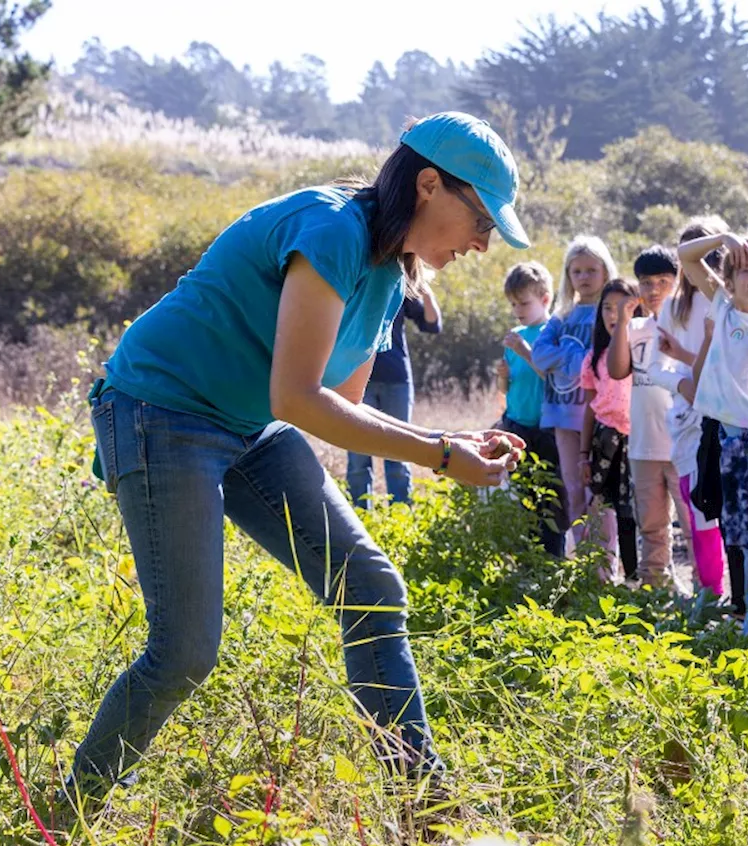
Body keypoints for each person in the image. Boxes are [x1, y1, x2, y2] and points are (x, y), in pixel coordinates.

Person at [70, 112, 529, 801]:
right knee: (186, 652)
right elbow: (298, 398)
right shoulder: (333, 228)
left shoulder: (385, 275)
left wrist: (452, 443)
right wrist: (437, 455)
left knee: (371, 590)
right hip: (160, 411)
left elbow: (340, 407)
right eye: (482, 222)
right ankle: (76, 798)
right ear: (430, 185)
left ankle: (421, 801)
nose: (483, 245)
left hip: (249, 424)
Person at [678, 230, 748, 630]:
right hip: (722, 437)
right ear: (729, 280)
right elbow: (686, 257)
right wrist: (723, 237)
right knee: (734, 527)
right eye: (745, 270)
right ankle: (743, 610)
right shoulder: (723, 307)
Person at [648, 217, 729, 599]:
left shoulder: (731, 300)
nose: (703, 262)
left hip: (729, 416)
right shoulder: (674, 306)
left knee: (734, 513)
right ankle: (709, 593)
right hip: (685, 421)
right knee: (699, 514)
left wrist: (684, 358)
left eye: (711, 253)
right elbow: (654, 366)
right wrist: (682, 383)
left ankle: (742, 598)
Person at [607, 246, 692, 589]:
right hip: (643, 446)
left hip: (681, 445)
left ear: (677, 283)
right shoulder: (636, 328)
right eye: (645, 282)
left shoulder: (687, 327)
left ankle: (706, 591)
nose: (654, 290)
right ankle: (656, 588)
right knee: (652, 525)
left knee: (691, 524)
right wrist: (623, 323)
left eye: (662, 281)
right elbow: (616, 370)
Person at [532, 236, 618, 542]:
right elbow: (539, 354)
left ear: (605, 272)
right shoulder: (561, 316)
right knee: (572, 488)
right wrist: (576, 359)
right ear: (568, 276)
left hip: (596, 417)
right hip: (561, 413)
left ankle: (604, 564)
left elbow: (603, 362)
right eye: (576, 271)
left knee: (599, 491)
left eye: (590, 270)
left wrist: (568, 360)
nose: (583, 277)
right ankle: (583, 565)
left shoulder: (608, 314)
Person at [346, 284, 441, 506]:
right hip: (355, 378)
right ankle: (361, 520)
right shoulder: (353, 279)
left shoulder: (396, 281)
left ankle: (400, 517)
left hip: (396, 379)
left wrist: (424, 287)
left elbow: (432, 324)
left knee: (399, 454)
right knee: (358, 458)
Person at [496, 261, 567, 557]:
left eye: (524, 303)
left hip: (546, 430)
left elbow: (553, 379)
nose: (518, 310)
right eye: (513, 304)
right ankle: (529, 564)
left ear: (545, 299)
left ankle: (553, 563)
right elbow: (506, 390)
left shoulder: (553, 332)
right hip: (517, 427)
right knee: (524, 500)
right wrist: (501, 376)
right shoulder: (515, 334)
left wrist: (524, 351)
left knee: (550, 503)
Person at [580, 279, 641, 582]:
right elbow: (589, 410)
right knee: (602, 508)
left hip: (637, 440)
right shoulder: (594, 359)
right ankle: (599, 575)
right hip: (604, 441)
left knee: (631, 511)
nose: (613, 313)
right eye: (607, 307)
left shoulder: (641, 351)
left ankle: (634, 577)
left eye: (622, 307)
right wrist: (582, 456)